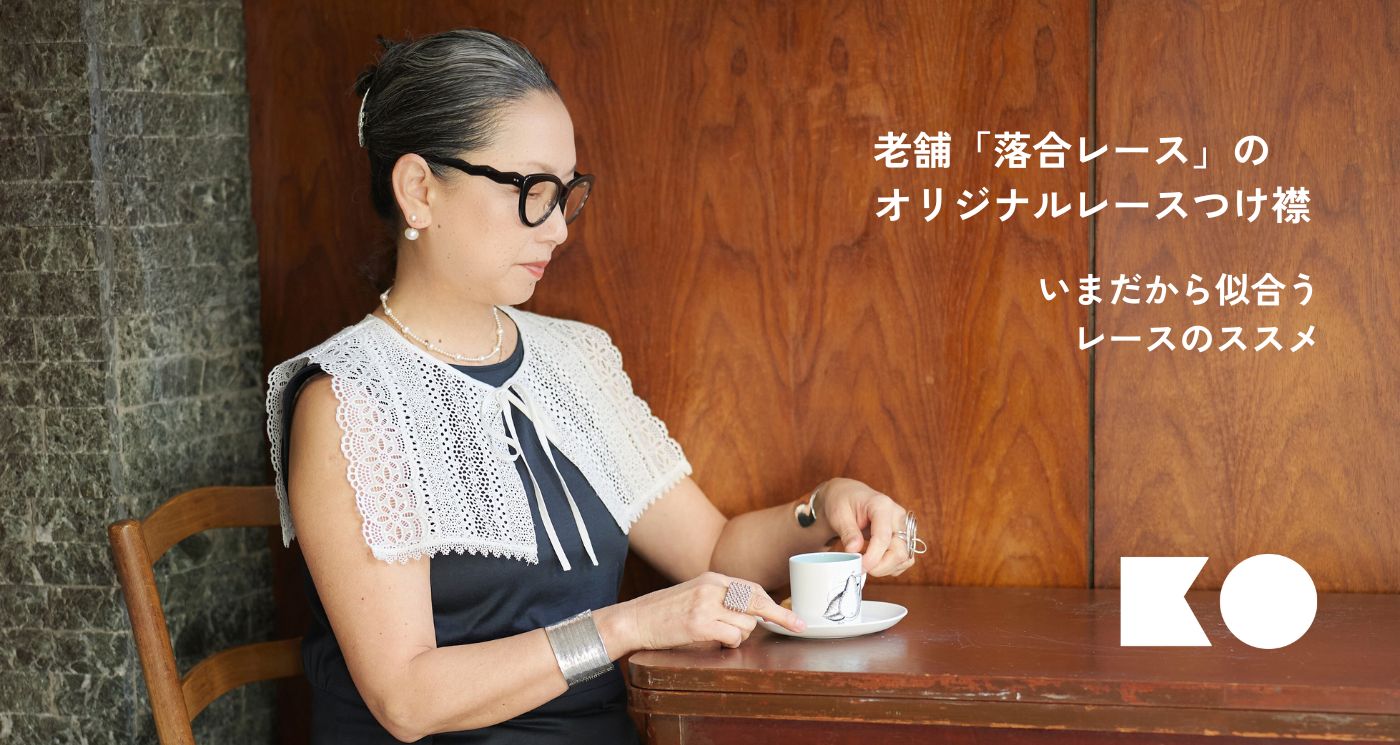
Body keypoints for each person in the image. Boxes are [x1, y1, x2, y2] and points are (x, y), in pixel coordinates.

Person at [264, 28, 924, 744]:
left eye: (566, 194)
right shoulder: (349, 400)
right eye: (531, 191)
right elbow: (407, 698)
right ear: (419, 190)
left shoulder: (573, 359)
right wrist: (629, 625)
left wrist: (826, 506)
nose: (558, 230)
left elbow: (712, 553)